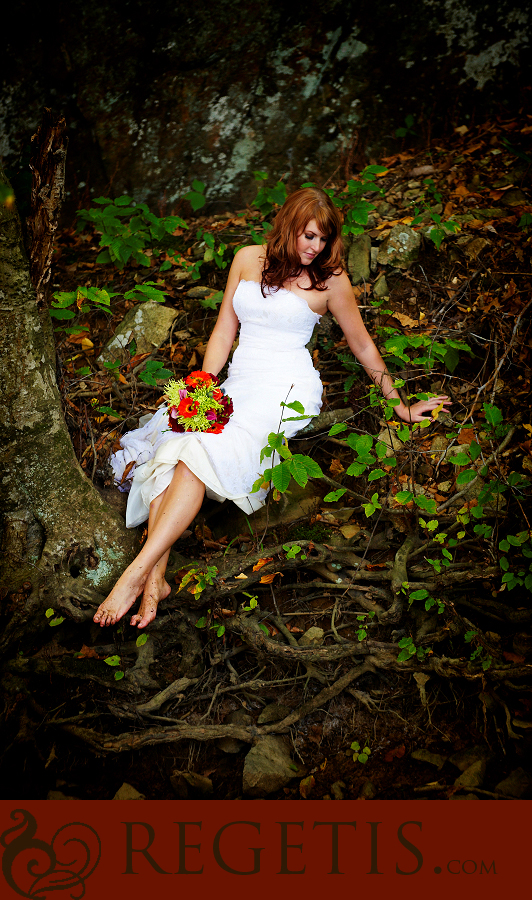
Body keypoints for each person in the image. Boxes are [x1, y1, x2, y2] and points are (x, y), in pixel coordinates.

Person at [93, 187, 450, 629]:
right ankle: (155, 580)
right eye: (307, 236)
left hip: (285, 389)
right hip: (239, 382)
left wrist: (401, 407)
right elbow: (225, 328)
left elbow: (361, 344)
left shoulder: (331, 280)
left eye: (322, 239)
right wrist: (204, 386)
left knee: (199, 452)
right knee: (181, 442)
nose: (313, 248)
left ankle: (134, 574)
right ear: (287, 226)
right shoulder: (247, 259)